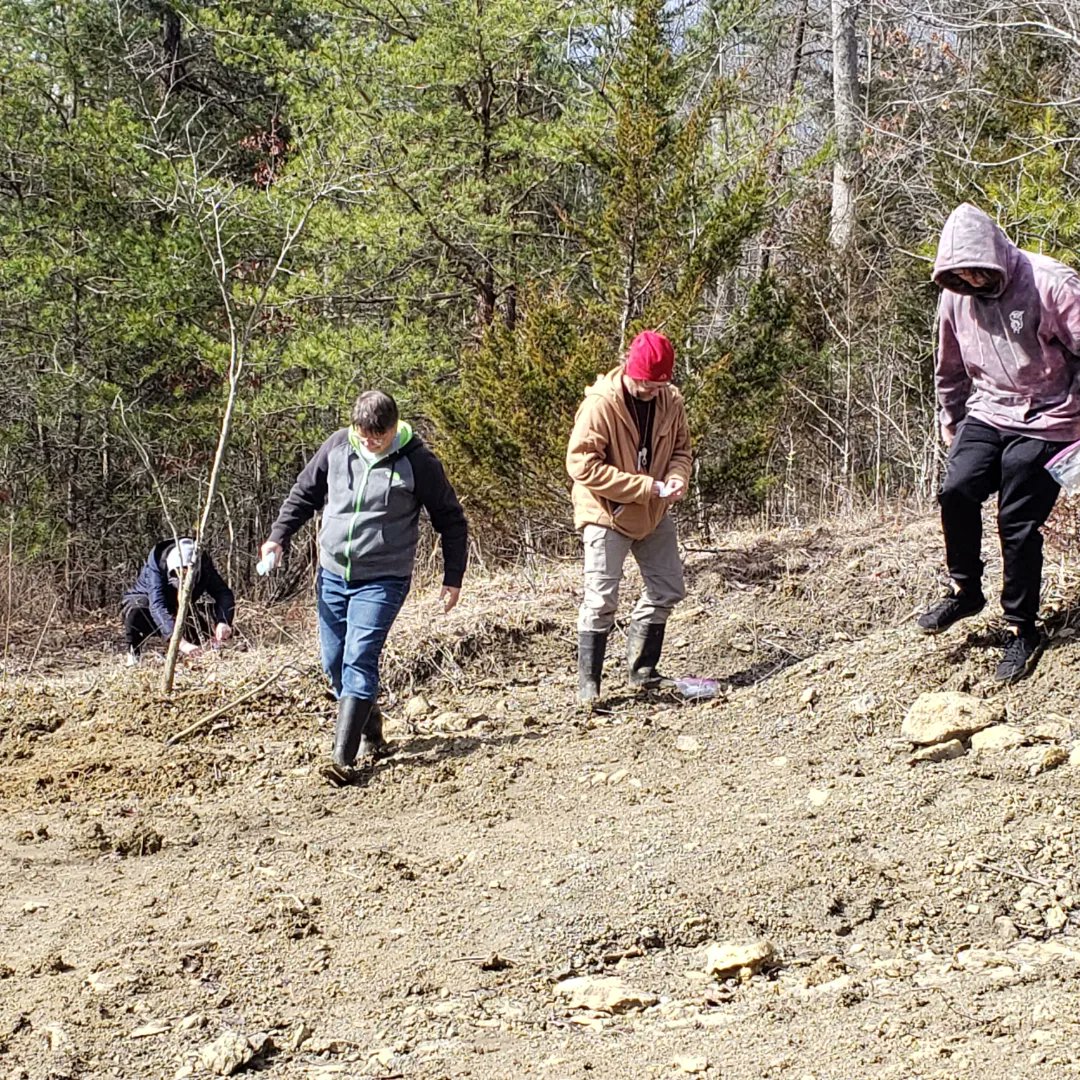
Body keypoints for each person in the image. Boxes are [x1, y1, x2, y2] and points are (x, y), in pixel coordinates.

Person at [260, 390, 467, 785]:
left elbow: (451, 520)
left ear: (394, 428)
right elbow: (304, 494)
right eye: (363, 433)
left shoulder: (418, 462)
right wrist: (278, 536)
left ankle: (343, 758)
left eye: (378, 435)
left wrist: (452, 577)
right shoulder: (338, 447)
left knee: (360, 655)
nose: (370, 442)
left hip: (384, 577)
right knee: (334, 662)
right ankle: (370, 728)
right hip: (333, 573)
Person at [918, 202, 1080, 682]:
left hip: (1052, 415)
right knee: (957, 489)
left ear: (994, 254)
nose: (970, 279)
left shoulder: (1052, 283)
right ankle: (966, 589)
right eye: (959, 273)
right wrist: (951, 418)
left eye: (976, 269)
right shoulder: (955, 297)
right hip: (989, 409)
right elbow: (948, 365)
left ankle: (1021, 627)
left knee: (1017, 518)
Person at [566, 330, 693, 703]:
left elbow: (682, 451)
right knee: (601, 600)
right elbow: (581, 466)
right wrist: (645, 487)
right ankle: (589, 688)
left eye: (659, 385)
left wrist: (675, 478)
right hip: (605, 512)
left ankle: (642, 671)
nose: (651, 391)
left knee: (668, 588)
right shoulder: (599, 405)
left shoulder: (671, 401)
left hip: (654, 511)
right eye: (645, 384)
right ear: (628, 369)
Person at [121, 537, 235, 665]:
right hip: (149, 606)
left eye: (187, 576)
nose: (183, 580)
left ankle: (197, 654)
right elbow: (157, 605)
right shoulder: (157, 562)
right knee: (136, 608)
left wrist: (223, 621)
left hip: (182, 607)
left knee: (203, 637)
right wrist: (180, 643)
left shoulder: (203, 564)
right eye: (179, 576)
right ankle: (133, 654)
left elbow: (223, 593)